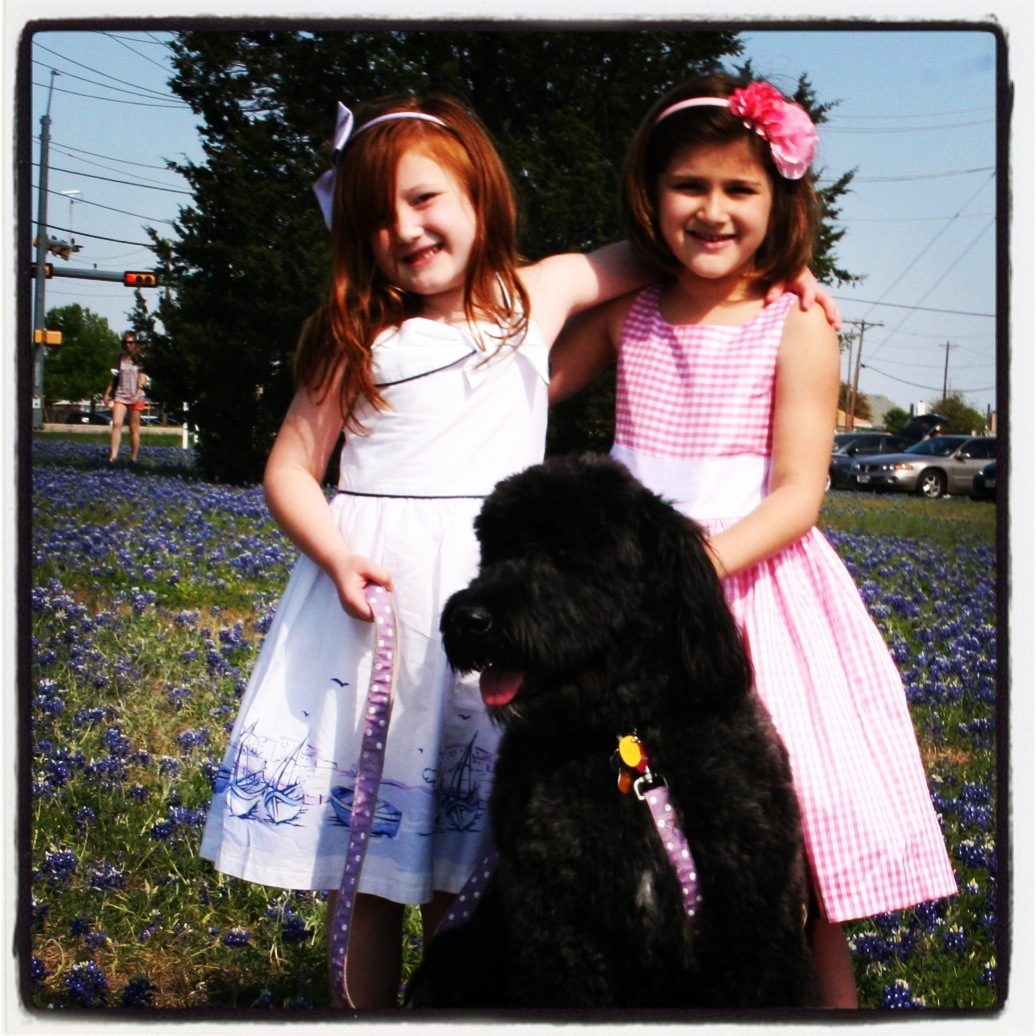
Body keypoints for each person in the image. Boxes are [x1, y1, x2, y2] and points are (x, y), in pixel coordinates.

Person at [198, 92, 833, 1009]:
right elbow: (290, 468)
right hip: (380, 605)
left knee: (475, 856)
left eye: (426, 199)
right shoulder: (354, 339)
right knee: (370, 866)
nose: (405, 229)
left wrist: (789, 264)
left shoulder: (534, 297)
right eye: (376, 216)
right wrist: (335, 553)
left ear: (480, 196)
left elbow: (677, 242)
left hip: (509, 601)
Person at [550, 74, 957, 1008]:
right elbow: (528, 376)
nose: (713, 209)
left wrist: (687, 571)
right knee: (628, 818)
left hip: (753, 594)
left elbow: (798, 496)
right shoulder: (629, 311)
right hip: (628, 605)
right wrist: (624, 260)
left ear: (781, 202)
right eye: (687, 185)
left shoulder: (796, 321)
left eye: (741, 189)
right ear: (650, 195)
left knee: (787, 857)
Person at [102, 331, 147, 463]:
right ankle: (113, 457)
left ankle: (133, 457)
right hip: (121, 395)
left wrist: (138, 393)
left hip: (136, 396)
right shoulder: (121, 358)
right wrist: (107, 393)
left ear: (135, 343)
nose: (128, 345)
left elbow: (142, 378)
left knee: (133, 428)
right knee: (116, 424)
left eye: (131, 342)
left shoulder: (140, 358)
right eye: (126, 342)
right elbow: (115, 377)